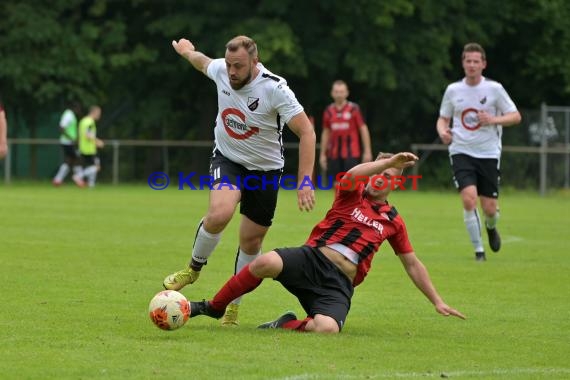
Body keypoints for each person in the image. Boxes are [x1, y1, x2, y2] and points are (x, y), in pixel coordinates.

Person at [186, 152, 465, 333]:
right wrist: (387, 163)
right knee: (265, 261)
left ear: (396, 185)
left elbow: (412, 264)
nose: (380, 179)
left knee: (327, 329)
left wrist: (437, 301)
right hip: (312, 260)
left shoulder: (394, 220)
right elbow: (354, 175)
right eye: (378, 172)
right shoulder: (351, 193)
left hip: (338, 284)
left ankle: (286, 324)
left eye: (389, 176)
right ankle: (214, 307)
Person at [163, 35, 316, 327]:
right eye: (230, 65)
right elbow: (202, 62)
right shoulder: (222, 69)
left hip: (265, 171)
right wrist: (188, 52)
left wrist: (305, 181)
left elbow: (307, 132)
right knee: (220, 213)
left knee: (251, 240)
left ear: (254, 62)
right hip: (228, 160)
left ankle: (232, 305)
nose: (232, 72)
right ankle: (193, 268)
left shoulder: (275, 89)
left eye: (239, 67)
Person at [436, 42, 521, 262]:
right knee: (468, 199)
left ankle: (491, 227)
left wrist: (493, 119)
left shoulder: (495, 89)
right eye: (468, 61)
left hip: (488, 153)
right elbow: (443, 118)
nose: (472, 65)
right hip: (461, 150)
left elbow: (515, 116)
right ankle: (479, 252)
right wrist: (443, 131)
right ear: (463, 63)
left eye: (476, 61)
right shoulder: (453, 90)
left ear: (483, 64)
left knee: (490, 208)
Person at [319, 80, 372, 185]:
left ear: (347, 93)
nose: (339, 94)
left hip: (351, 153)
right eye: (336, 91)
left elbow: (363, 129)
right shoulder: (328, 111)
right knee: (336, 183)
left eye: (341, 91)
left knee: (352, 182)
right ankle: (339, 201)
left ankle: (353, 201)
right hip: (334, 153)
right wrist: (322, 154)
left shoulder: (354, 109)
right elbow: (326, 132)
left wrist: (367, 151)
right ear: (332, 93)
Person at [52, 102, 85, 187]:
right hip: (67, 142)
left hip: (68, 142)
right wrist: (71, 138)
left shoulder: (70, 115)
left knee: (70, 160)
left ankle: (58, 179)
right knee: (75, 159)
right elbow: (61, 128)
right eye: (79, 109)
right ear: (75, 108)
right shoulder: (68, 115)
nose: (79, 111)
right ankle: (78, 179)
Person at [78, 105, 104, 188]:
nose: (99, 115)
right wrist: (98, 141)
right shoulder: (90, 122)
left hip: (83, 147)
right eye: (99, 113)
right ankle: (79, 176)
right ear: (94, 112)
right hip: (89, 148)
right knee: (97, 167)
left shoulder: (83, 121)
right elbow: (87, 134)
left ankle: (91, 184)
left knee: (92, 166)